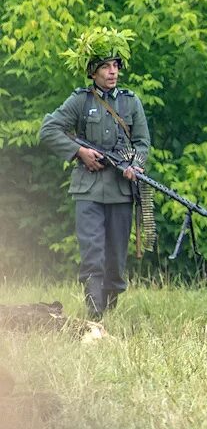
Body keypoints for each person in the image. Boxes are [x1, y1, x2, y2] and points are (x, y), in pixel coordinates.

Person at [39, 29, 151, 320]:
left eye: (115, 65)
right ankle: (94, 317)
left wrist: (135, 166)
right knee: (93, 256)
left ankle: (108, 312)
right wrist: (80, 152)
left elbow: (142, 143)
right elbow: (48, 130)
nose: (112, 72)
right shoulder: (80, 101)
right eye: (105, 66)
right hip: (88, 191)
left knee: (115, 261)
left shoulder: (131, 102)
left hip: (120, 192)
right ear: (92, 71)